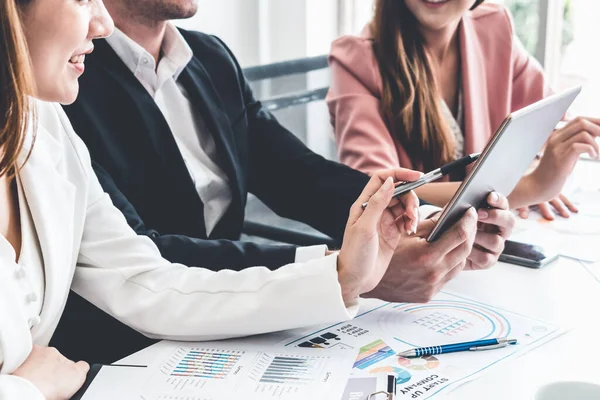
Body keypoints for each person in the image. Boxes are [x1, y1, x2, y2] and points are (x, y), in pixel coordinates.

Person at [0, 0, 474, 398]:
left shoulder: (45, 125)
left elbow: (142, 279)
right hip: (111, 358)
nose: (99, 23)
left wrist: (348, 271)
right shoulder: (68, 89)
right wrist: (27, 390)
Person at [327, 0, 600, 220]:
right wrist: (528, 188)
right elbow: (376, 198)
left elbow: (545, 123)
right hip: (407, 257)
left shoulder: (493, 24)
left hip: (489, 246)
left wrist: (537, 169)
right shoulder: (355, 60)